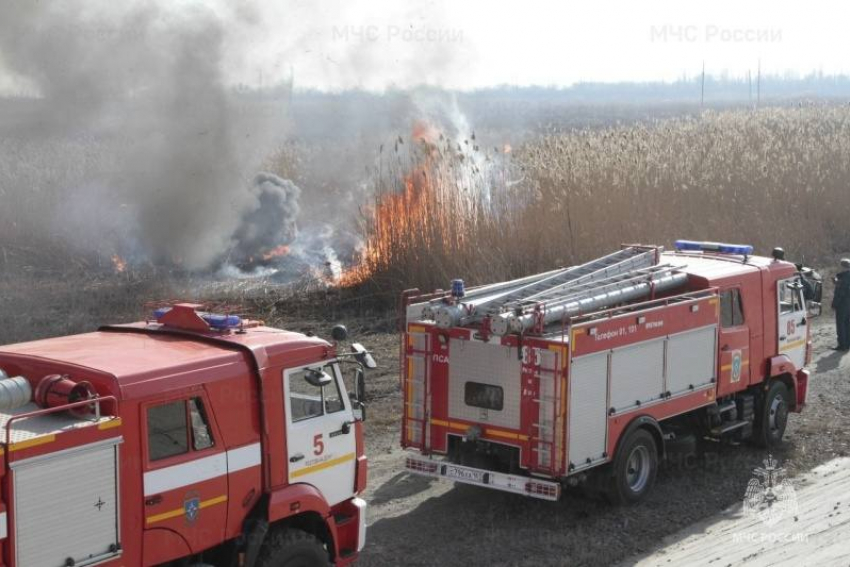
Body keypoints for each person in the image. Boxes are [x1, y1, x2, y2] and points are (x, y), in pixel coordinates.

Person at [833, 258, 850, 351]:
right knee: (847, 323)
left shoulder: (843, 277)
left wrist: (834, 304)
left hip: (842, 304)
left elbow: (840, 292)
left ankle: (842, 345)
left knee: (840, 324)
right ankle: (847, 344)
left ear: (843, 266)